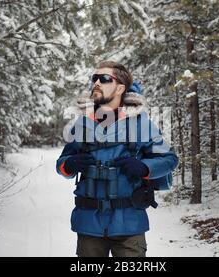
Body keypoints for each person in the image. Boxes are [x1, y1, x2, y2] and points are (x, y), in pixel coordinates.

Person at [56, 60, 178, 257]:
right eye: (94, 78)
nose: (96, 82)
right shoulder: (82, 124)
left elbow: (170, 159)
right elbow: (61, 164)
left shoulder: (141, 124)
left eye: (104, 78)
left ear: (120, 87)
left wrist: (144, 167)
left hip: (129, 223)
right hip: (89, 224)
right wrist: (69, 164)